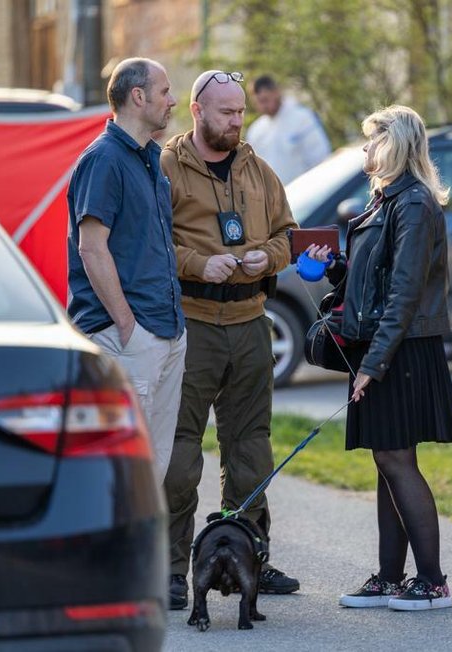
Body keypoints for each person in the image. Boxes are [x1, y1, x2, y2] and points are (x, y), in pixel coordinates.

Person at [307, 105, 452, 611]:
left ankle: (432, 581)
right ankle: (390, 577)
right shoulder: (384, 200)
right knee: (386, 457)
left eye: (371, 140)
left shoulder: (414, 203)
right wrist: (337, 270)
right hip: (383, 343)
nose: (365, 150)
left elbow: (404, 293)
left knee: (397, 458)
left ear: (393, 143)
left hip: (403, 348)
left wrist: (374, 366)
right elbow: (371, 282)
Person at [161, 69, 300, 610]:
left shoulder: (258, 169)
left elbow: (289, 232)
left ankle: (251, 559)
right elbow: (149, 247)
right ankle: (173, 570)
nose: (237, 121)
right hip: (192, 325)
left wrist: (275, 255)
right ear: (197, 110)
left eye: (241, 112)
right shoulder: (167, 168)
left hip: (250, 323)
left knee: (250, 450)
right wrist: (198, 262)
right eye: (226, 112)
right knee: (180, 455)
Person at [67, 57, 186, 484]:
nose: (173, 101)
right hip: (128, 337)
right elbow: (91, 248)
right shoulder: (103, 160)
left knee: (150, 475)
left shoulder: (149, 158)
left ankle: (141, 553)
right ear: (138, 97)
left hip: (164, 330)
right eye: (165, 91)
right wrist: (128, 326)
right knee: (119, 476)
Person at [245, 75, 331, 184]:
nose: (262, 106)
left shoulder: (302, 118)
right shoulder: (255, 131)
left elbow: (320, 157)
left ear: (276, 92)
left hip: (309, 189)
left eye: (265, 100)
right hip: (275, 197)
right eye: (258, 102)